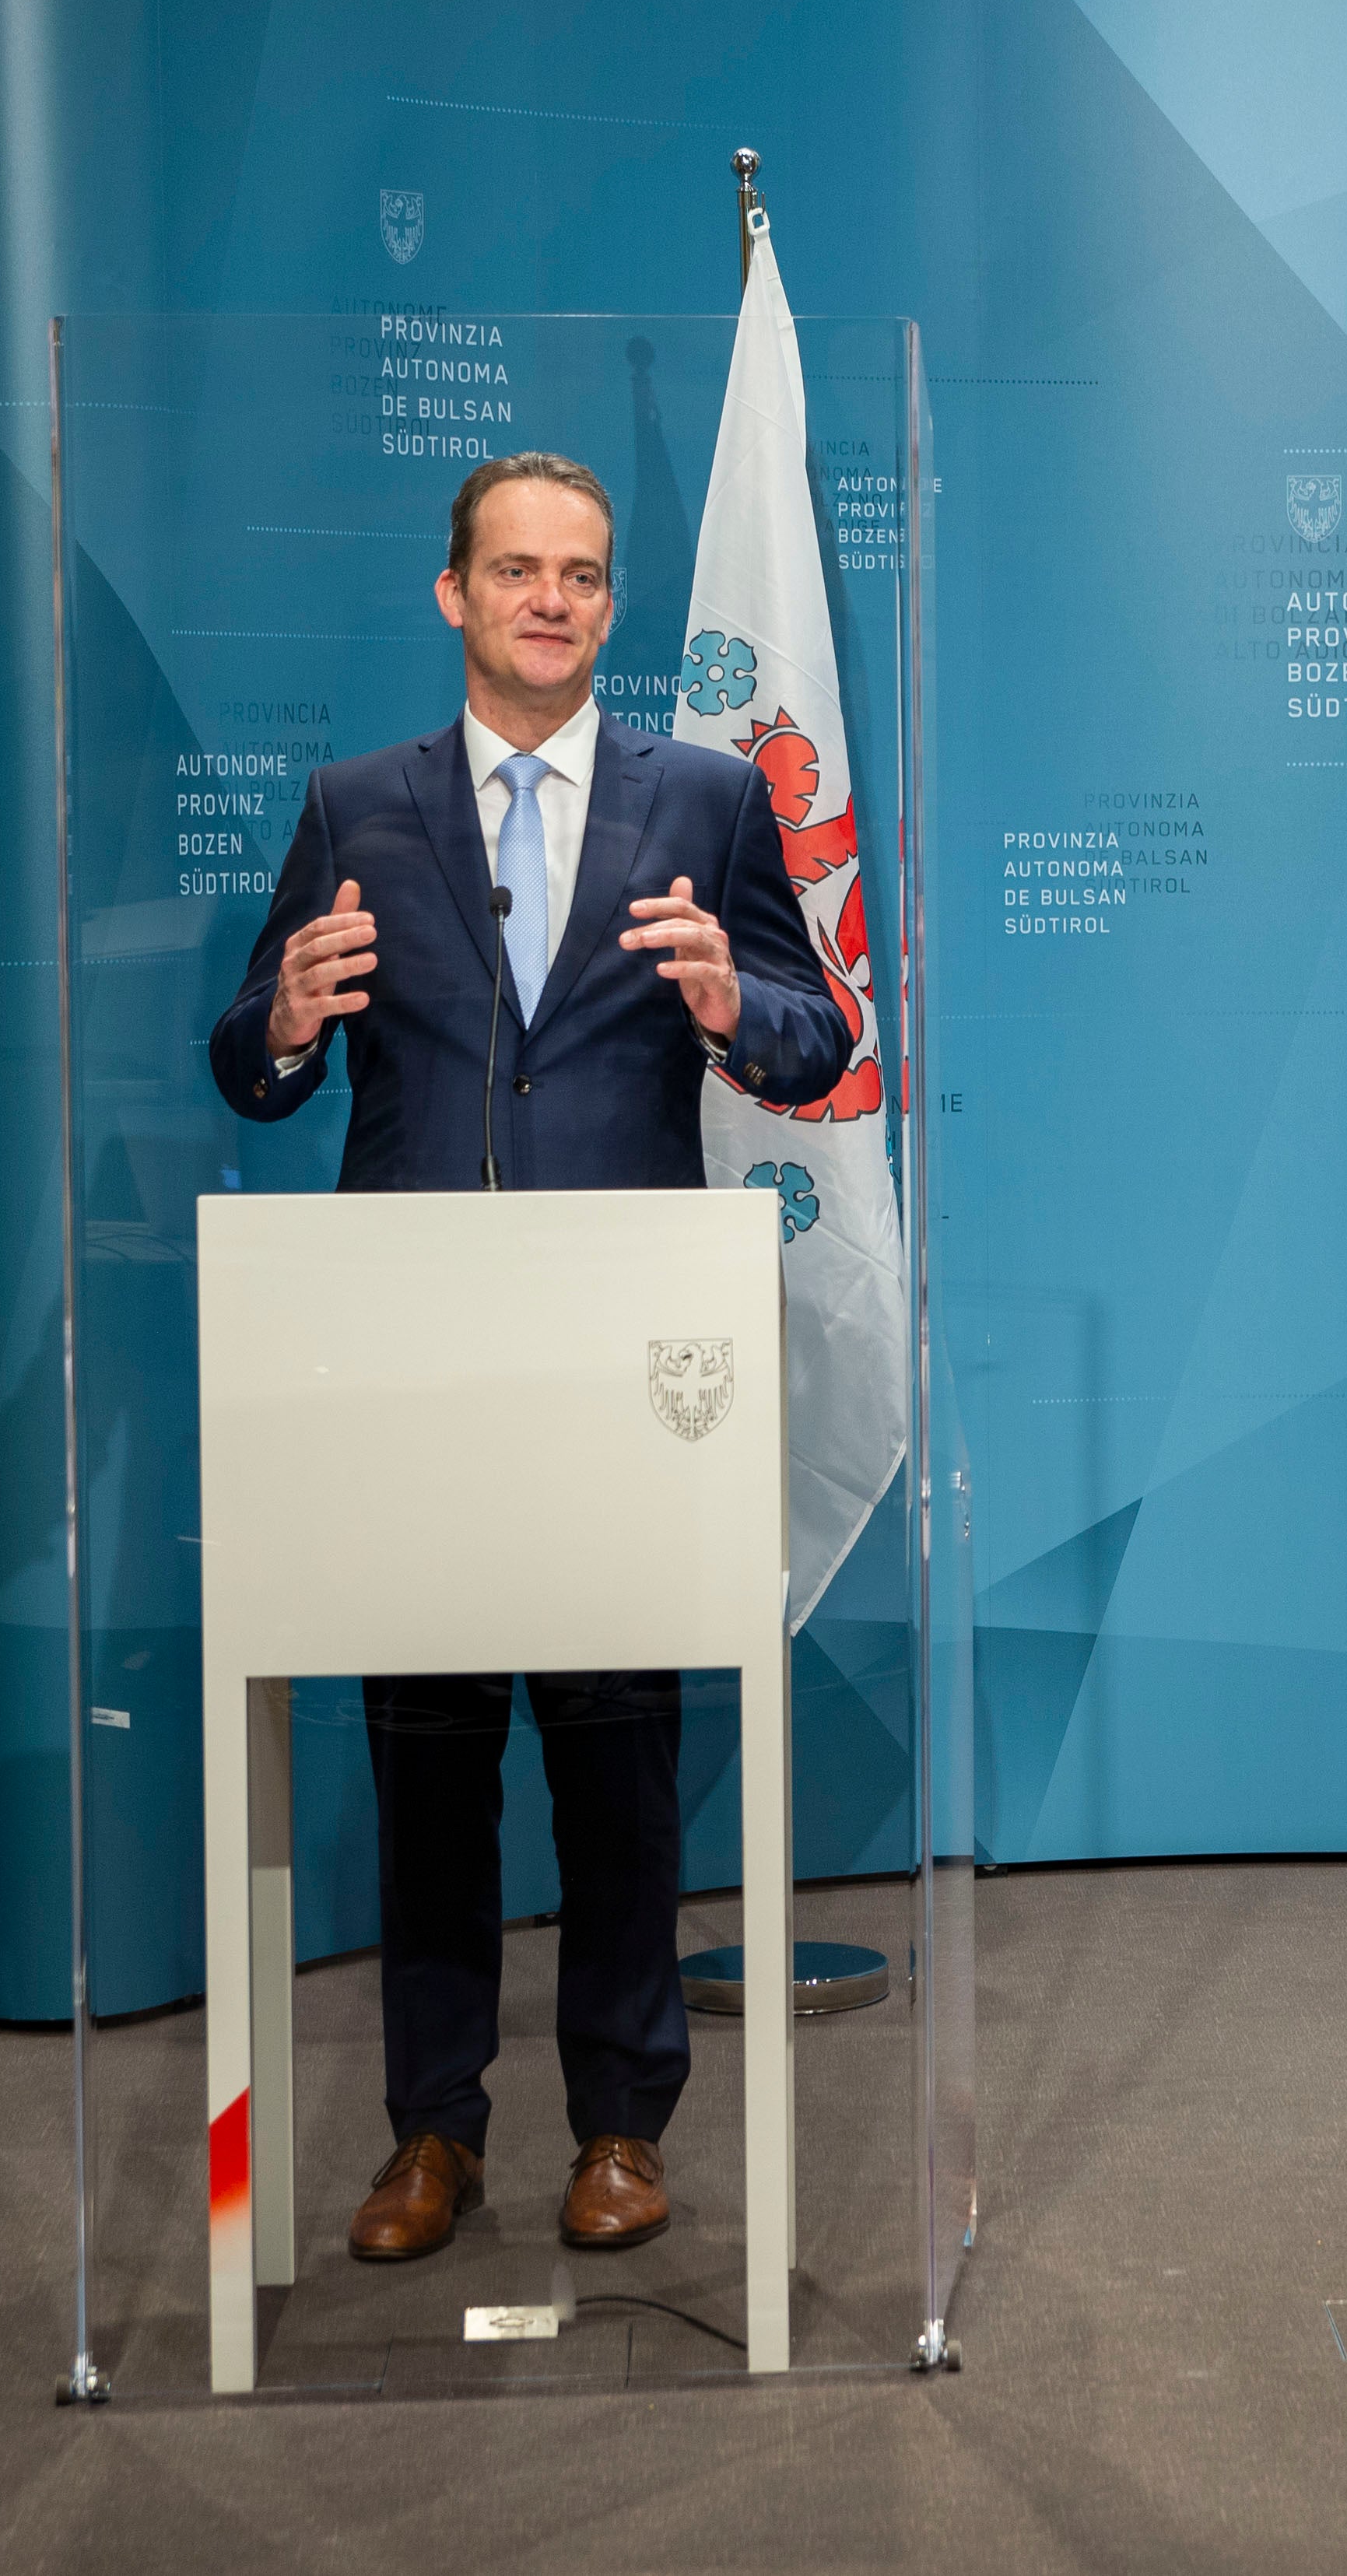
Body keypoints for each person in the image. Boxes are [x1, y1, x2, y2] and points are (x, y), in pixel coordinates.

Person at [209, 447, 849, 2264]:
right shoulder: (356, 804)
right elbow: (250, 1064)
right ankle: (433, 2131)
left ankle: (622, 2127)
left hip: (623, 1361)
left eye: (578, 572)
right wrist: (283, 1017)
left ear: (609, 602)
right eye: (515, 570)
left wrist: (732, 1004)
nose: (549, 598)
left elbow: (817, 1040)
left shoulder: (705, 799)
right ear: (454, 595)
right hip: (412, 1364)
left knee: (615, 1760)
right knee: (427, 1765)